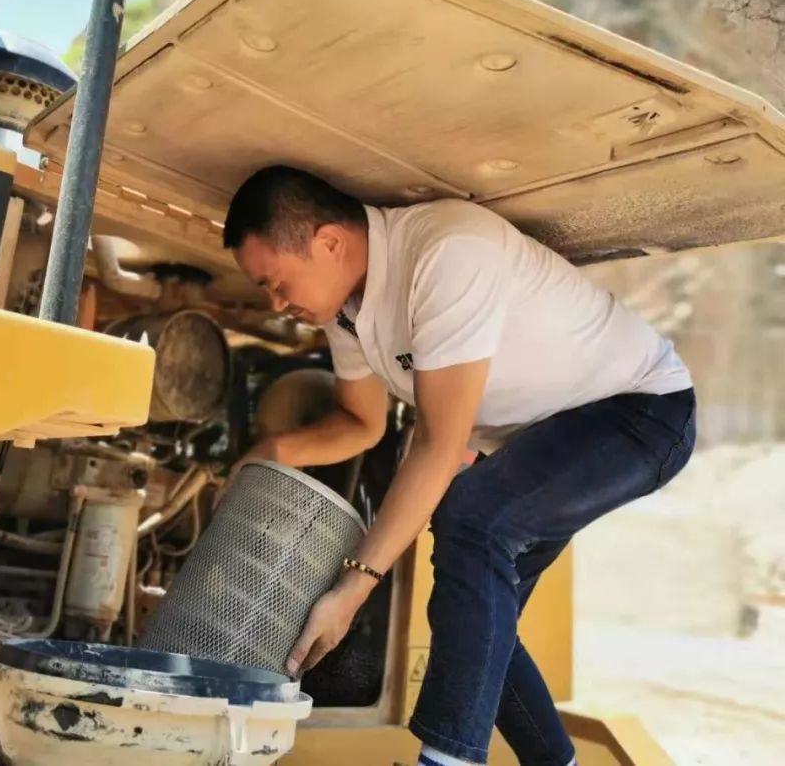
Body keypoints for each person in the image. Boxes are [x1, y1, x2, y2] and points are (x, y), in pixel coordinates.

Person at [225, 165, 696, 766]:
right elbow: (361, 423)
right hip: (544, 438)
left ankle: (448, 760)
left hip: (639, 410)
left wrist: (353, 587)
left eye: (276, 282)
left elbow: (440, 445)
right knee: (474, 619)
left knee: (468, 521)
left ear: (329, 243)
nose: (275, 302)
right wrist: (271, 454)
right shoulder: (346, 309)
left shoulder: (445, 252)